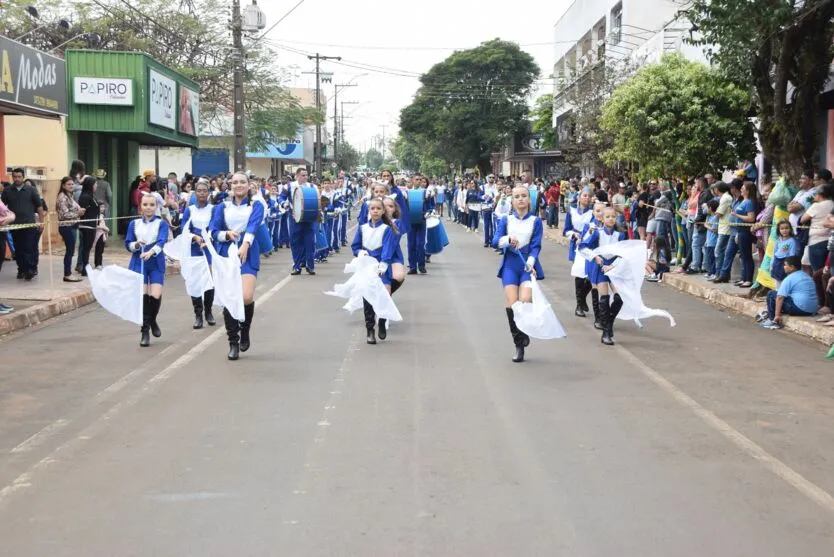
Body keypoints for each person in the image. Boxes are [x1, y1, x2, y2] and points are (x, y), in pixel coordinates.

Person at [209, 172, 264, 360]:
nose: (238, 185)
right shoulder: (221, 207)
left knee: (246, 296)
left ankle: (245, 329)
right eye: (235, 183)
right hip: (226, 255)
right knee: (230, 297)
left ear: (249, 185)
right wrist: (227, 235)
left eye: (242, 182)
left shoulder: (256, 206)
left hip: (248, 253)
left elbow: (254, 226)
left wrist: (245, 244)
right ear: (230, 186)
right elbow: (213, 232)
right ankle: (233, 342)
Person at [492, 186, 544, 363]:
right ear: (512, 201)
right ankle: (518, 344)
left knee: (526, 299)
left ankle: (524, 330)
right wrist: (507, 240)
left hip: (526, 266)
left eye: (524, 196)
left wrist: (531, 262)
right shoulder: (506, 220)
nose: (520, 199)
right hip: (509, 266)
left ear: (529, 200)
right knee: (512, 304)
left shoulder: (536, 221)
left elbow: (536, 245)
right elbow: (495, 241)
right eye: (516, 197)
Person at [352, 197, 398, 345]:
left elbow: (387, 249)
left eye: (378, 208)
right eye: (372, 208)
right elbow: (356, 246)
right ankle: (370, 329)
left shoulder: (386, 229)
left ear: (383, 210)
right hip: (366, 267)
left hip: (381, 266)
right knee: (368, 297)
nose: (375, 211)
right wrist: (360, 253)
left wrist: (383, 265)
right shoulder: (362, 228)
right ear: (369, 210)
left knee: (384, 293)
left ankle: (383, 320)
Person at [125, 193, 169, 347]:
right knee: (143, 295)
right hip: (139, 262)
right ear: (140, 206)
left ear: (156, 206)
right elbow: (128, 243)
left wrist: (151, 252)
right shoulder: (134, 224)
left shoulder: (161, 223)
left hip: (155, 261)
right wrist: (136, 245)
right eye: (145, 205)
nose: (148, 208)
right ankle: (145, 331)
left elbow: (163, 240)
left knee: (156, 295)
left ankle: (152, 320)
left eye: (151, 205)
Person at [579, 206, 627, 345]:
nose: (611, 219)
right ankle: (606, 332)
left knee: (619, 298)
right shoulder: (597, 233)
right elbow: (582, 247)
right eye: (607, 216)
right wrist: (595, 257)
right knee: (604, 298)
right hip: (600, 267)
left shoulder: (620, 235)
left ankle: (609, 322)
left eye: (613, 216)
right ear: (602, 219)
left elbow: (623, 254)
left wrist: (614, 265)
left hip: (614, 268)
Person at [181, 179, 216, 329]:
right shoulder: (190, 210)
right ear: (195, 193)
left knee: (209, 279)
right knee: (195, 280)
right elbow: (184, 229)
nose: (202, 193)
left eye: (205, 191)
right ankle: (198, 314)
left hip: (208, 248)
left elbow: (215, 226)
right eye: (199, 191)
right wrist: (194, 237)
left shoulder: (213, 209)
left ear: (208, 193)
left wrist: (207, 239)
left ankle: (208, 311)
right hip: (194, 248)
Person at [759, 256, 818, 329]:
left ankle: (772, 320)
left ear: (792, 267)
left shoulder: (789, 279)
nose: (784, 267)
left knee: (771, 294)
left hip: (800, 309)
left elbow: (780, 297)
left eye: (785, 265)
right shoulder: (807, 276)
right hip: (812, 310)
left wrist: (777, 315)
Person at [563, 187, 595, 319]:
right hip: (576, 243)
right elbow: (566, 230)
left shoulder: (593, 212)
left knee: (590, 276)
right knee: (579, 273)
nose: (586, 198)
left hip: (589, 243)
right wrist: (573, 235)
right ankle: (579, 305)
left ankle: (582, 299)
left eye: (589, 196)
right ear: (579, 197)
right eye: (584, 195)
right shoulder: (572, 211)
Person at [282, 168, 317, 275]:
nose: (305, 177)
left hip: (309, 218)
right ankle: (296, 266)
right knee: (295, 241)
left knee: (310, 242)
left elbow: (318, 200)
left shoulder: (312, 187)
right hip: (294, 217)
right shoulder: (288, 186)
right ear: (297, 176)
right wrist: (284, 204)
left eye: (306, 175)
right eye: (303, 175)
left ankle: (310, 266)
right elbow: (281, 198)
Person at [55, 176, 85, 282]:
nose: (71, 186)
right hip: (66, 227)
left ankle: (68, 273)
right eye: (68, 184)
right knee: (70, 251)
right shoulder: (62, 197)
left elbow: (73, 208)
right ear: (63, 185)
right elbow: (63, 214)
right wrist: (78, 213)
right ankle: (67, 274)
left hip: (72, 226)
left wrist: (79, 210)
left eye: (72, 184)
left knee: (71, 250)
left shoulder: (69, 195)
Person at [407, 175, 434, 275]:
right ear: (412, 180)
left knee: (420, 244)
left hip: (421, 221)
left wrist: (428, 212)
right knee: (411, 244)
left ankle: (421, 265)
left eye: (420, 180)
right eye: (416, 179)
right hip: (410, 222)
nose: (418, 181)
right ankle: (412, 267)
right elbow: (404, 206)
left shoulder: (426, 192)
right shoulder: (407, 193)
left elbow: (431, 206)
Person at [770, 219, 799, 288]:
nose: (784, 230)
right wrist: (771, 264)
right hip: (777, 262)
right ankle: (778, 292)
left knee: (784, 280)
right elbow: (774, 252)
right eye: (782, 229)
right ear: (779, 230)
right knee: (777, 280)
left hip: (785, 262)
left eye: (786, 228)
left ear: (790, 229)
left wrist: (790, 265)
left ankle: (783, 294)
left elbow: (792, 254)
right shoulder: (778, 240)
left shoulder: (792, 241)